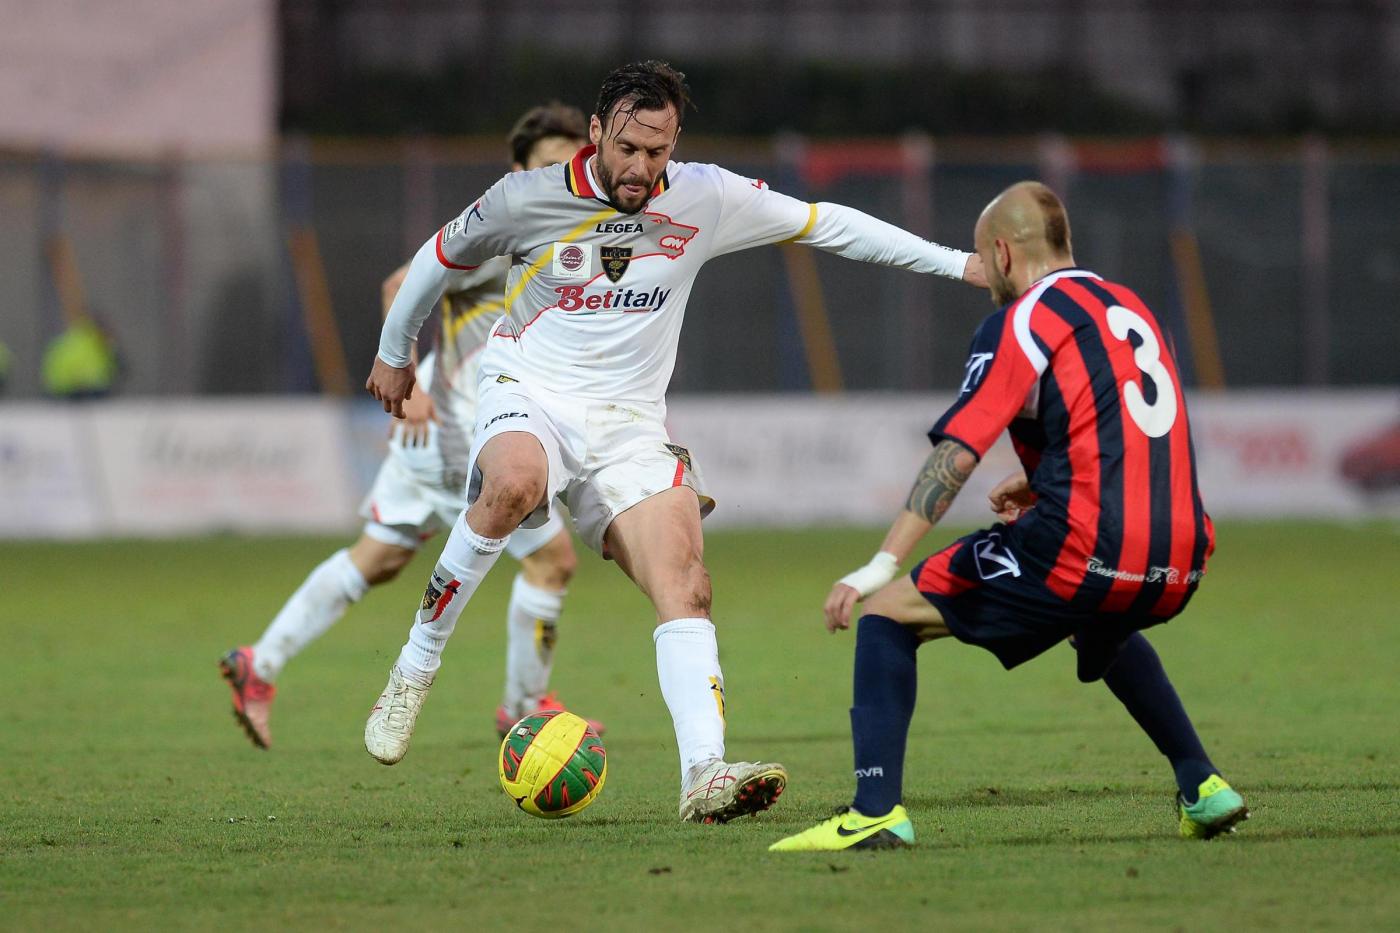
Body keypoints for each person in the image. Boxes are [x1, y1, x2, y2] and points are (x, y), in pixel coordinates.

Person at [363, 60, 987, 823]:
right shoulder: (526, 197)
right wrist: (395, 354)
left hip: (629, 426)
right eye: (627, 147)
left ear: (675, 142)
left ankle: (704, 774)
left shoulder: (705, 196)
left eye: (657, 151)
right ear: (596, 132)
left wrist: (959, 263)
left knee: (687, 584)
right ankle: (414, 668)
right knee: (516, 482)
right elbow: (437, 258)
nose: (640, 166)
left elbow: (826, 224)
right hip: (529, 390)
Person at [770, 181, 1246, 851]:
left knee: (887, 615)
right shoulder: (1129, 305)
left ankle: (874, 811)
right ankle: (1202, 783)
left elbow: (958, 454)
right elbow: (1132, 429)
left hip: (1084, 547)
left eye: (981, 258)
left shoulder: (1023, 320)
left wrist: (880, 562)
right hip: (1181, 558)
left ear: (1000, 253)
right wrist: (1041, 478)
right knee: (1095, 617)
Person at [219, 104, 593, 750]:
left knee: (379, 556)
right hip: (458, 433)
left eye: (572, 163)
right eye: (548, 164)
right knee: (551, 561)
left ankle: (262, 661)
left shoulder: (574, 239)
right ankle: (523, 708)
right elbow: (400, 284)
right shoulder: (511, 238)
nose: (564, 174)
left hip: (446, 430)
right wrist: (411, 381)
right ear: (519, 171)